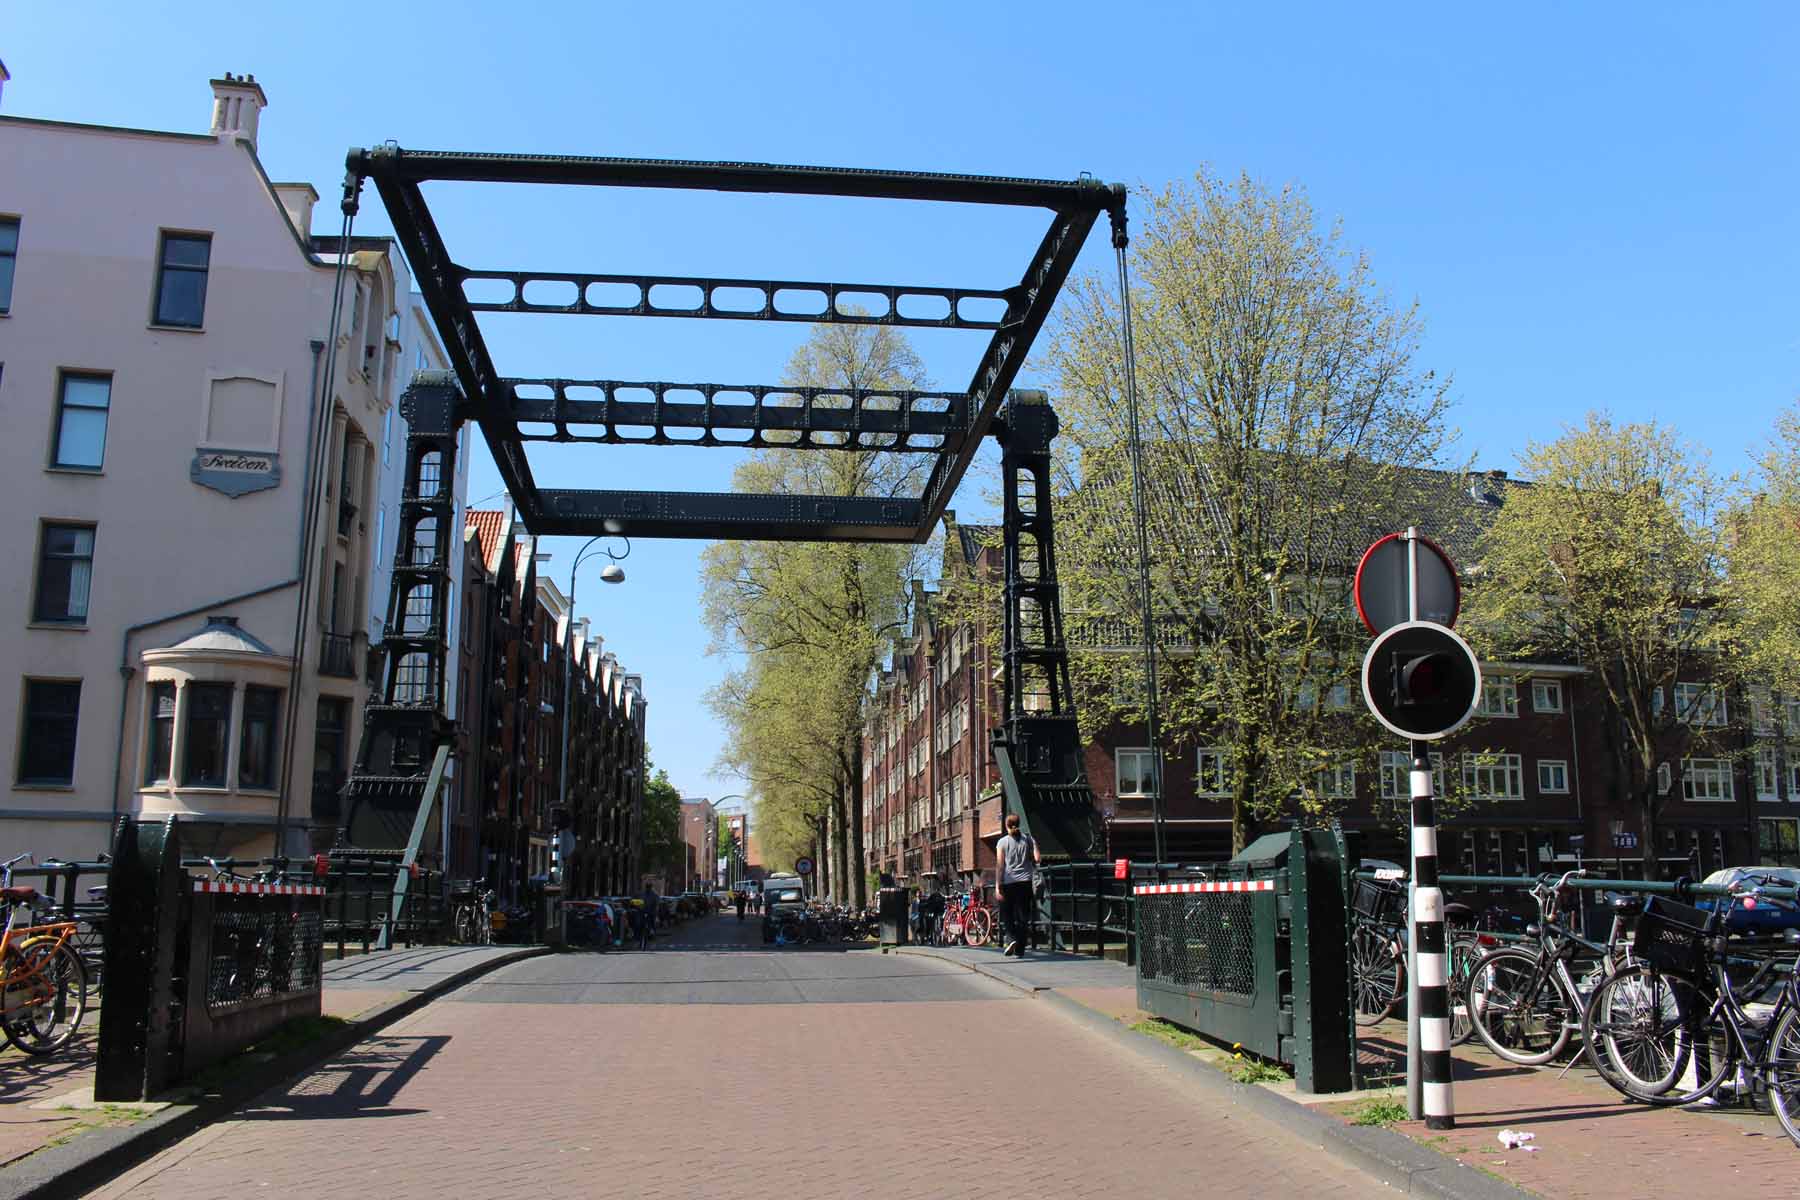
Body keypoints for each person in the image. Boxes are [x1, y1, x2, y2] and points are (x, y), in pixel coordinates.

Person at [995, 813, 1039, 957]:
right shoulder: (1028, 839)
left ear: (1006, 825)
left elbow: (1000, 865)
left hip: (1009, 882)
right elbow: (1038, 859)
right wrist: (1034, 844)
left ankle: (1011, 938)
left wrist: (997, 885)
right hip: (1025, 882)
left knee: (1007, 914)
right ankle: (1020, 949)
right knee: (1023, 917)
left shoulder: (1002, 842)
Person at [639, 882, 659, 950]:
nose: (648, 888)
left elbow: (656, 904)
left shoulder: (653, 895)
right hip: (643, 912)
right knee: (639, 924)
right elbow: (639, 903)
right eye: (647, 887)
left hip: (650, 912)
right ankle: (640, 936)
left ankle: (652, 931)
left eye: (648, 887)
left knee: (652, 922)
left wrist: (655, 912)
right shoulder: (642, 894)